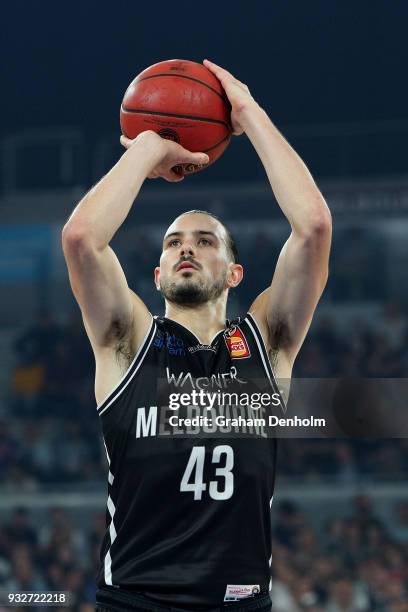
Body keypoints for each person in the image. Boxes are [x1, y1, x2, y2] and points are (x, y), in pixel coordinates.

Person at [62, 59, 332, 612]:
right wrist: (148, 148)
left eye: (206, 240)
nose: (187, 247)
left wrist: (248, 114)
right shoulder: (127, 343)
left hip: (240, 602)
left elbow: (314, 229)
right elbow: (82, 238)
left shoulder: (268, 344)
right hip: (136, 602)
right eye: (173, 242)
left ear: (235, 274)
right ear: (157, 275)